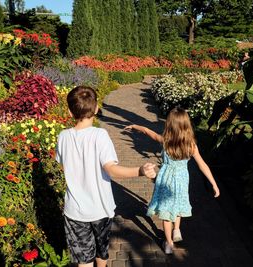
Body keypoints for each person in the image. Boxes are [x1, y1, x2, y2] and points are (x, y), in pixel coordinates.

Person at [55, 86, 156, 267]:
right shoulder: (100, 135)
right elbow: (111, 169)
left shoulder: (63, 137)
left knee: (83, 261)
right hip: (100, 209)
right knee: (102, 251)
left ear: (70, 111)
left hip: (75, 211)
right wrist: (139, 171)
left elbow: (64, 164)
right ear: (95, 109)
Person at [124, 107, 220, 255]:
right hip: (182, 180)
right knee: (179, 202)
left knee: (166, 211)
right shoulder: (191, 145)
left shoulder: (165, 141)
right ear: (187, 125)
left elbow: (149, 132)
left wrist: (135, 126)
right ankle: (177, 230)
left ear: (169, 125)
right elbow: (202, 164)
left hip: (166, 181)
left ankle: (169, 243)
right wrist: (213, 183)